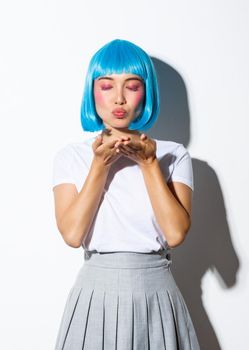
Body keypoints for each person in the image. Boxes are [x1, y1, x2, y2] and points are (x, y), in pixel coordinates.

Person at [52, 39, 200, 349]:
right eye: (106, 86)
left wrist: (148, 164)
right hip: (95, 294)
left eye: (131, 86)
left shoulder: (174, 155)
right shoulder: (72, 157)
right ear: (92, 93)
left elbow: (175, 233)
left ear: (146, 92)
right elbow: (72, 234)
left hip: (156, 292)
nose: (119, 98)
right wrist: (99, 166)